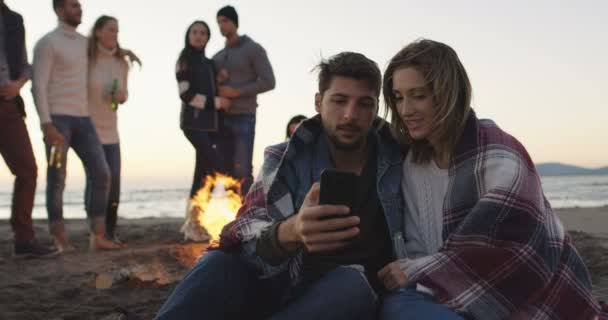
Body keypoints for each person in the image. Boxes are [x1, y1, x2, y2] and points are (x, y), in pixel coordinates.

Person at [156, 52, 405, 320]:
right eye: (340, 100)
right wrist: (291, 231)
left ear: (376, 107)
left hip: (351, 294)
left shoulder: (401, 156)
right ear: (319, 103)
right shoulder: (286, 157)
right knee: (219, 261)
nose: (350, 115)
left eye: (364, 104)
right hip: (285, 283)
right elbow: (245, 241)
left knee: (353, 283)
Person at [378, 39, 602, 319]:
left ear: (449, 94)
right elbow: (416, 244)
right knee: (399, 306)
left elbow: (512, 253)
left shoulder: (499, 155)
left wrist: (421, 270)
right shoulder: (413, 164)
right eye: (398, 97)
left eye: (418, 95)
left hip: (529, 291)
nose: (406, 110)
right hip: (441, 291)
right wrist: (427, 273)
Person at [31, 0, 121, 252]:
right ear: (59, 10)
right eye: (73, 5)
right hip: (57, 120)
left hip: (84, 120)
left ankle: (98, 236)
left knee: (102, 173)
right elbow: (38, 85)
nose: (79, 9)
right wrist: (46, 124)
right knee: (57, 177)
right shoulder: (47, 43)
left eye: (80, 5)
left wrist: (124, 54)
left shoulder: (85, 44)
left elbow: (108, 52)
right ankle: (60, 238)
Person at [0, 1, 58, 257]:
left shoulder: (13, 19)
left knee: (27, 170)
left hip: (8, 103)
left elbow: (25, 66)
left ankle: (24, 241)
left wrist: (17, 84)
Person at [213, 5, 275, 195]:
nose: (221, 26)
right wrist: (216, 81)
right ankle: (232, 216)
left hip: (244, 117)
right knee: (223, 170)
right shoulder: (217, 57)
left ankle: (246, 217)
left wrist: (237, 92)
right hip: (220, 119)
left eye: (224, 21)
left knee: (242, 170)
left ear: (234, 22)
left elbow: (269, 81)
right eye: (218, 22)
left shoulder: (253, 49)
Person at [86, 15, 132, 243]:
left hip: (111, 130)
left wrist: (121, 96)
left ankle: (110, 232)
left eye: (117, 30)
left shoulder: (121, 63)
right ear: (98, 32)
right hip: (88, 128)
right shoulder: (87, 59)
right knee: (97, 179)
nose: (115, 34)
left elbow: (124, 93)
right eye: (111, 30)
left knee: (114, 180)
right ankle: (96, 231)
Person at [176, 20, 231, 200]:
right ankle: (198, 217)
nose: (199, 36)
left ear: (208, 37)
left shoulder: (209, 63)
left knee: (202, 174)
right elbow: (186, 95)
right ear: (188, 35)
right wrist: (218, 103)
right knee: (217, 166)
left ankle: (194, 222)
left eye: (203, 33)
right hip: (193, 124)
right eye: (195, 32)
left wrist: (220, 78)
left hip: (210, 126)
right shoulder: (184, 60)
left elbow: (212, 86)